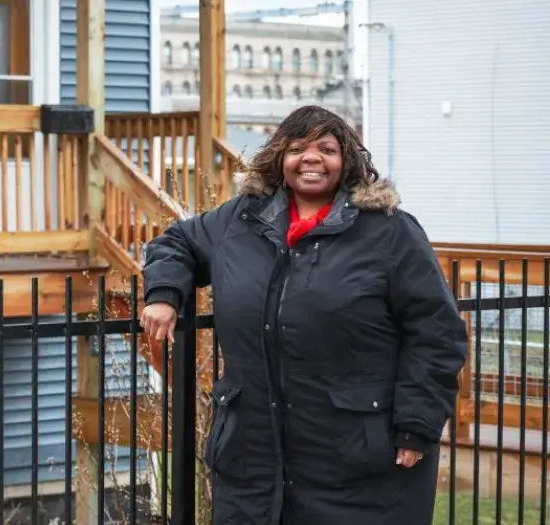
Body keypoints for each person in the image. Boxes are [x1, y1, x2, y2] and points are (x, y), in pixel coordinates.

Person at [139, 105, 468, 525]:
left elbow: (436, 333)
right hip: (252, 462)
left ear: (347, 161)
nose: (310, 158)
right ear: (279, 158)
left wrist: (418, 423)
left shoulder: (390, 232)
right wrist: (165, 294)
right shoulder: (239, 220)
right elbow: (175, 242)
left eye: (326, 149)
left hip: (358, 465)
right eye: (297, 148)